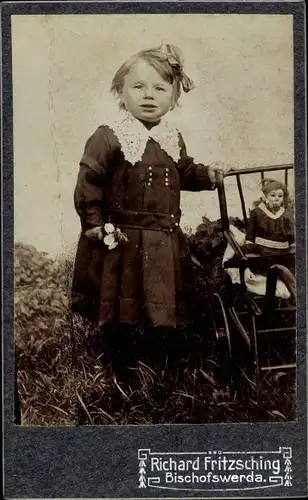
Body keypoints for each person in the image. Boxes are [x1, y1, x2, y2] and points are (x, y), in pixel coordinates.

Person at [71, 44, 226, 376]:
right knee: (121, 306)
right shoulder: (109, 137)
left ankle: (162, 369)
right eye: (138, 87)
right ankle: (121, 370)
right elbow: (90, 178)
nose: (148, 96)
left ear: (173, 96)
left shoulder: (171, 137)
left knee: (161, 301)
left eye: (160, 88)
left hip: (161, 240)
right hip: (124, 239)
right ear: (120, 91)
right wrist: (93, 222)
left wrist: (207, 175)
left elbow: (183, 170)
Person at [245, 179, 295, 258]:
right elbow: (251, 229)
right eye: (273, 195)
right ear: (265, 197)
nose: (277, 198)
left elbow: (290, 230)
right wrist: (249, 241)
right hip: (263, 246)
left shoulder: (286, 213)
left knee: (287, 259)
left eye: (280, 196)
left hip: (282, 247)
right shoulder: (257, 212)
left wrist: (292, 242)